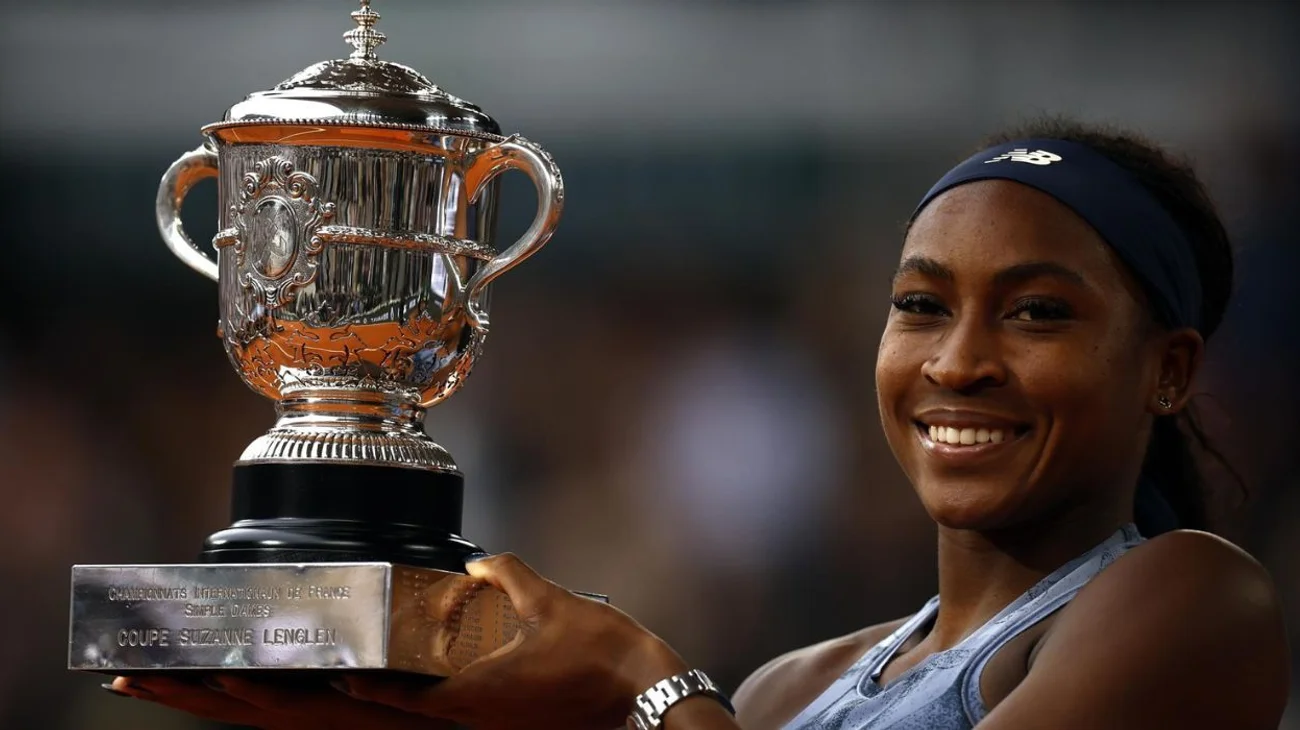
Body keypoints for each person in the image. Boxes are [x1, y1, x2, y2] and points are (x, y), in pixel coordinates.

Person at [105, 118, 1290, 729]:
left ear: (1169, 372)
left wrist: (639, 677)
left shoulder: (1190, 602)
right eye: (921, 305)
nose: (959, 361)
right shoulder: (783, 689)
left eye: (1035, 312)